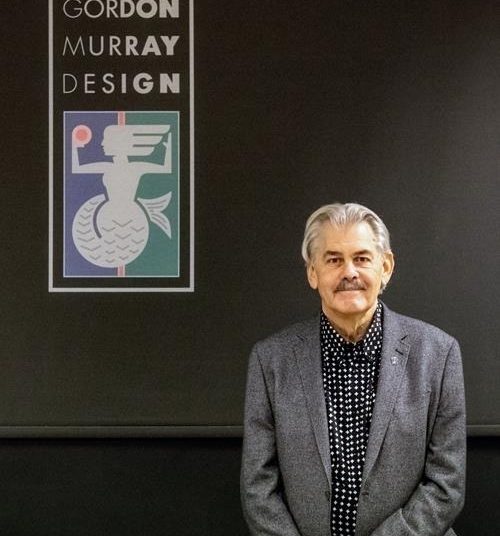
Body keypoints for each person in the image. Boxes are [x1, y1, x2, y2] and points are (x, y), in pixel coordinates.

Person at [241, 203, 466, 536]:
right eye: (334, 260)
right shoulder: (271, 360)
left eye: (361, 258)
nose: (349, 272)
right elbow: (258, 487)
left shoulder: (438, 354)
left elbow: (447, 483)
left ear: (385, 267)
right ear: (312, 272)